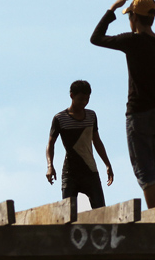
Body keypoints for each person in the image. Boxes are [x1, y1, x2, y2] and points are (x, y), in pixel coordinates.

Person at [90, 0, 155, 210]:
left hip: (138, 114)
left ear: (135, 18)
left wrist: (112, 9)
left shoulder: (132, 41)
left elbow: (96, 38)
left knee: (145, 171)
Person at [46, 80, 115, 210]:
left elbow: (97, 141)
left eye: (87, 99)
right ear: (71, 96)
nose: (84, 102)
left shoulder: (91, 116)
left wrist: (107, 164)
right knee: (67, 214)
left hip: (90, 171)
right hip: (70, 173)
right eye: (80, 99)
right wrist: (50, 166)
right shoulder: (60, 118)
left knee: (101, 211)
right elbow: (50, 143)